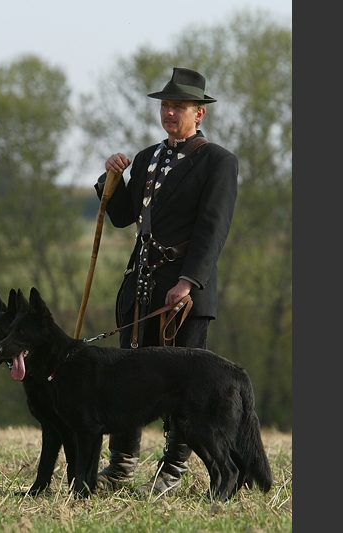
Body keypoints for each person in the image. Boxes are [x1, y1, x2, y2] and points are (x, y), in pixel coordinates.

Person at [93, 67, 239, 496]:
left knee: (186, 385)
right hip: (140, 289)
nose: (170, 112)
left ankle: (171, 471)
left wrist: (189, 281)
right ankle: (120, 467)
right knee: (128, 381)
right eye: (166, 105)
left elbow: (213, 228)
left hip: (184, 294)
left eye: (179, 107)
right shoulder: (148, 158)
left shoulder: (219, 161)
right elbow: (121, 217)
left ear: (200, 114)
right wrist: (112, 179)